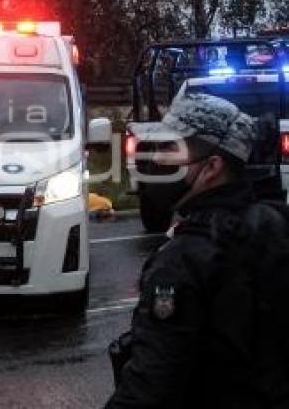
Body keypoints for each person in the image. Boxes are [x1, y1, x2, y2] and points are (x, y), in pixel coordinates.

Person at [106, 93, 289, 408]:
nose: (157, 159)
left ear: (212, 167)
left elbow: (150, 387)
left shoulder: (184, 260)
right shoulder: (275, 224)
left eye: (170, 147)